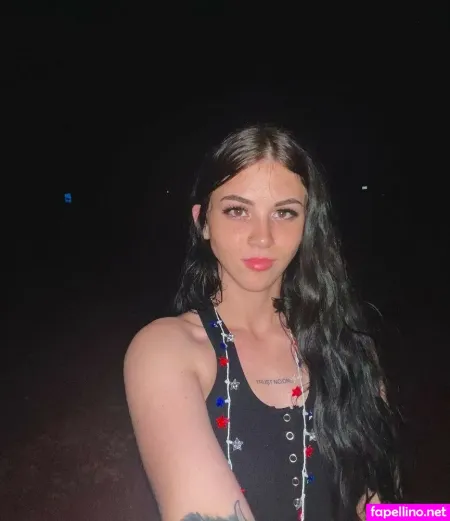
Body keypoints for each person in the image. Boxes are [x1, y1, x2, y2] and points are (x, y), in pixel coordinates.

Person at [123, 124, 402, 521]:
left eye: (284, 213)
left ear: (307, 225)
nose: (263, 237)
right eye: (237, 210)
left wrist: (435, 514)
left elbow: (377, 508)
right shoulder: (167, 350)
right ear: (203, 222)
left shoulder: (349, 347)